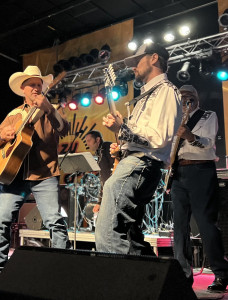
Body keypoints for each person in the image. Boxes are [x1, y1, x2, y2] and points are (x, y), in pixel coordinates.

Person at [95, 43, 182, 255]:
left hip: (142, 163)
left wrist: (122, 130)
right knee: (132, 236)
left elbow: (160, 138)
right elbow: (142, 134)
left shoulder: (166, 91)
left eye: (137, 61)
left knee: (108, 231)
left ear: (154, 58)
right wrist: (122, 142)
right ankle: (156, 283)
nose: (133, 67)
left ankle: (117, 283)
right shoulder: (147, 95)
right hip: (136, 162)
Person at [0, 65, 70, 286]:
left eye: (38, 84)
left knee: (54, 220)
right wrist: (2, 135)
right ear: (23, 89)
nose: (36, 87)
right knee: (1, 221)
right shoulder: (13, 114)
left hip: (44, 173)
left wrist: (50, 110)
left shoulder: (50, 107)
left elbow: (64, 129)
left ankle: (62, 271)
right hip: (14, 176)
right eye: (31, 84)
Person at [170, 85, 228, 291]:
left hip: (201, 171)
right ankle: (183, 275)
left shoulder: (207, 116)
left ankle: (221, 273)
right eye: (182, 96)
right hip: (179, 174)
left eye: (190, 96)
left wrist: (190, 136)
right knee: (179, 227)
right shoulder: (174, 120)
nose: (186, 98)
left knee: (206, 224)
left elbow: (209, 143)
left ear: (197, 99)